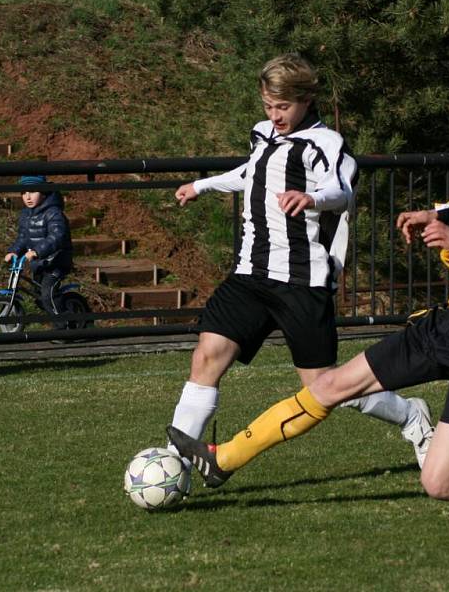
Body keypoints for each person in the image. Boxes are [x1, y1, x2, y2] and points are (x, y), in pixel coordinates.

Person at [169, 127, 449, 507]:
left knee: (440, 483)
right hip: (448, 322)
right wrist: (438, 214)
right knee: (330, 384)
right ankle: (221, 459)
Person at [168, 53, 434, 470]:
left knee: (324, 385)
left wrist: (312, 198)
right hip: (250, 272)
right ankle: (176, 463)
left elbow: (341, 190)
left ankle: (411, 413)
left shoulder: (327, 143)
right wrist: (201, 186)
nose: (274, 115)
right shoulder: (264, 134)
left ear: (306, 100)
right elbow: (253, 172)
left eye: (282, 107)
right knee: (207, 356)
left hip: (300, 278)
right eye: (268, 106)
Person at [4, 175, 72, 321]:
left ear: (43, 193)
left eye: (33, 192)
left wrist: (37, 251)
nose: (27, 197)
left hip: (56, 262)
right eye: (24, 193)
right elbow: (23, 238)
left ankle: (65, 327)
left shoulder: (53, 213)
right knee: (39, 297)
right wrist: (13, 251)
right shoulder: (25, 215)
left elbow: (57, 236)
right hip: (40, 263)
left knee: (48, 295)